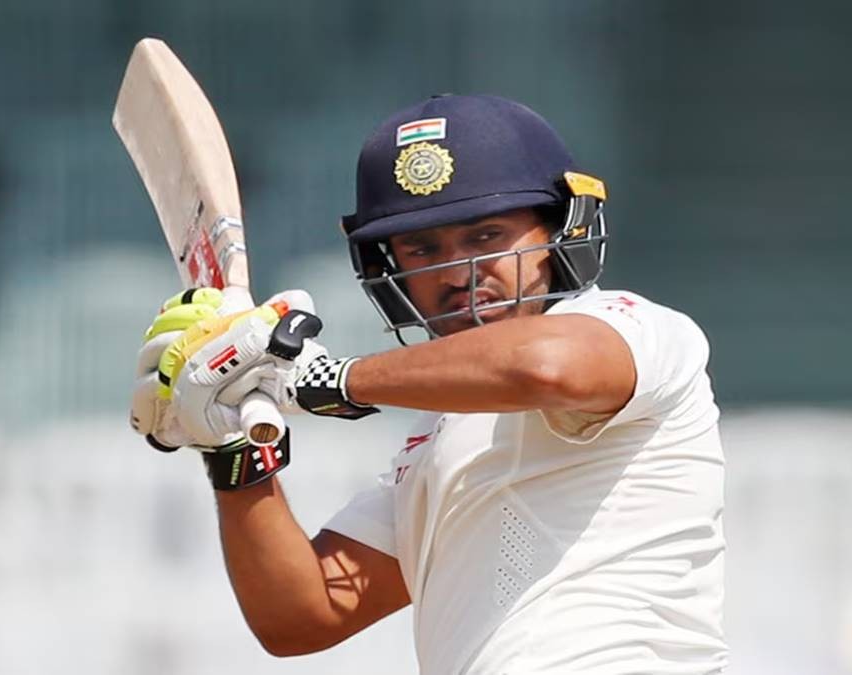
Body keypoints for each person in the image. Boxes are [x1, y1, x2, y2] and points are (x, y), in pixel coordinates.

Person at [129, 94, 728, 674]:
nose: (460, 272)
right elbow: (303, 615)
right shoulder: (438, 438)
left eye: (487, 236)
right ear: (387, 270)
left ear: (559, 233)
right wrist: (233, 445)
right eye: (422, 248)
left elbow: (545, 367)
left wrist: (330, 379)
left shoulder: (637, 327)